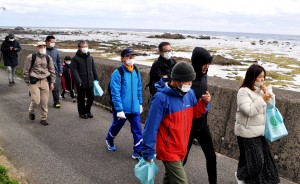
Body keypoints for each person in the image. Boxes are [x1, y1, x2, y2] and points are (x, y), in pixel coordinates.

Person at [142, 62, 211, 184]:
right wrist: (147, 151)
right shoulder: (161, 98)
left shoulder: (189, 93)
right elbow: (151, 126)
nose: (190, 84)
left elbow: (194, 114)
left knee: (169, 179)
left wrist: (203, 103)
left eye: (191, 81)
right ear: (177, 81)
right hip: (168, 149)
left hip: (181, 146)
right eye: (188, 81)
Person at [234, 64, 280, 184]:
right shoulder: (243, 92)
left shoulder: (260, 91)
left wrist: (269, 96)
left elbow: (271, 107)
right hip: (246, 132)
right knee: (257, 163)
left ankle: (247, 179)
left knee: (264, 162)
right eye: (259, 77)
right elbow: (248, 111)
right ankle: (240, 176)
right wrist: (262, 99)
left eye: (264, 77)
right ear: (252, 77)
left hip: (260, 132)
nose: (262, 80)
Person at [183, 47, 217, 184]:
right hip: (188, 128)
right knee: (182, 158)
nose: (207, 67)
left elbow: (204, 97)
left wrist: (206, 102)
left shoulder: (205, 76)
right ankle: (171, 179)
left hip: (203, 126)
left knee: (211, 157)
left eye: (208, 64)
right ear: (197, 63)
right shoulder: (187, 81)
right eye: (205, 64)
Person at [105, 48, 143, 160]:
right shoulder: (118, 73)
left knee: (138, 131)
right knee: (116, 127)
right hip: (122, 109)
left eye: (133, 56)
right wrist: (119, 109)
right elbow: (115, 92)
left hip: (135, 108)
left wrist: (140, 103)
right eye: (128, 56)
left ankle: (137, 152)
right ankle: (109, 139)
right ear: (122, 59)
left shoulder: (136, 71)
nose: (131, 58)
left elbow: (139, 88)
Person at [23, 41, 56, 126]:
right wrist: (27, 81)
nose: (43, 48)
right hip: (34, 81)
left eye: (44, 47)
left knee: (44, 102)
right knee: (36, 101)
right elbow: (26, 70)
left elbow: (52, 71)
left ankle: (43, 118)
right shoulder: (31, 57)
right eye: (41, 47)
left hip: (45, 81)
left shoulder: (49, 58)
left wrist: (52, 83)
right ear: (37, 48)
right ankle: (31, 111)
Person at [70, 40, 98, 119]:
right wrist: (78, 81)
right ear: (79, 48)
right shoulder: (75, 58)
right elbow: (74, 71)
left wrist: (96, 78)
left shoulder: (90, 57)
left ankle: (87, 111)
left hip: (90, 81)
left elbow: (93, 68)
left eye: (86, 46)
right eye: (83, 46)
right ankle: (82, 113)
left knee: (91, 97)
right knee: (81, 98)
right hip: (81, 82)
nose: (85, 48)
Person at [46, 35, 63, 108]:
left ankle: (56, 102)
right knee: (44, 88)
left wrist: (60, 70)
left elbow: (59, 61)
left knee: (55, 87)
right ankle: (42, 100)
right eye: (52, 42)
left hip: (55, 71)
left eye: (54, 42)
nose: (53, 43)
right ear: (47, 42)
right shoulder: (43, 50)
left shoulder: (56, 51)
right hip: (44, 72)